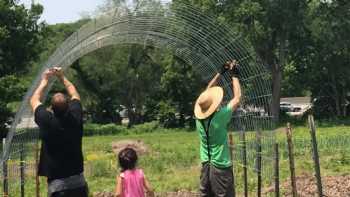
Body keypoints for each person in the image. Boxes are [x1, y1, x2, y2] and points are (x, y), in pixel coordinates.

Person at [30, 67, 88, 197]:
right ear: (69, 107)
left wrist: (44, 80)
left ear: (51, 108)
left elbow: (34, 100)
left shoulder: (47, 121)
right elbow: (75, 94)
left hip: (58, 187)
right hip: (79, 183)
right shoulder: (75, 118)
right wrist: (62, 77)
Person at [194, 60, 242, 197]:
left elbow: (206, 95)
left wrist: (220, 73)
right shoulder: (219, 118)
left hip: (206, 166)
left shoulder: (199, 119)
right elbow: (237, 98)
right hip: (220, 167)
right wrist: (234, 75)